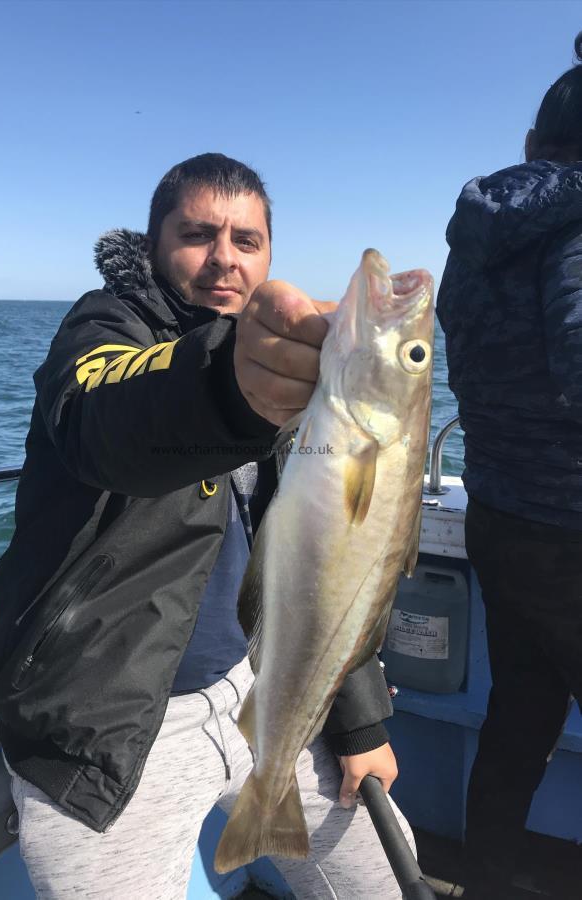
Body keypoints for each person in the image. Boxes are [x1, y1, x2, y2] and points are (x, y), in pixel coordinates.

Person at [0, 152, 413, 899]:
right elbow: (103, 422)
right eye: (197, 234)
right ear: (152, 245)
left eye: (246, 241)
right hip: (106, 734)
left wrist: (360, 722)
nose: (223, 259)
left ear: (269, 254)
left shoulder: (300, 379)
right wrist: (229, 387)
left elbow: (331, 567)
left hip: (259, 695)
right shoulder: (100, 330)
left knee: (388, 876)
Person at [436, 36, 582, 900]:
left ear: (532, 142)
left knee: (520, 713)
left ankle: (484, 878)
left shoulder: (478, 235)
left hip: (502, 515)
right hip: (572, 530)